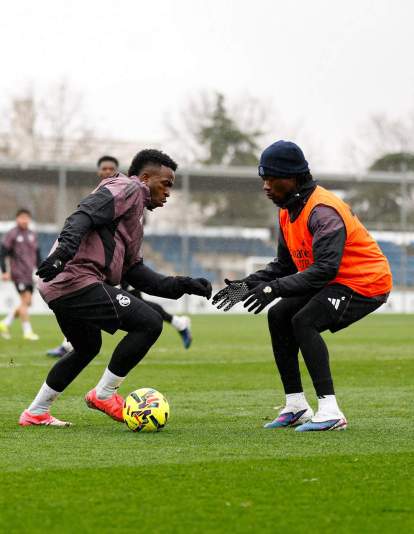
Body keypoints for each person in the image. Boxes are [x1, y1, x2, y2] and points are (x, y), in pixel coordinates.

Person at [19, 149, 211, 427]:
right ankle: (104, 394)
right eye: (166, 184)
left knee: (87, 347)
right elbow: (81, 216)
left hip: (61, 285)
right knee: (149, 322)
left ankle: (36, 412)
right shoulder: (129, 187)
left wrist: (183, 285)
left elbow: (137, 273)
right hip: (74, 278)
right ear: (145, 178)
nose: (169, 192)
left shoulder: (134, 219)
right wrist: (63, 254)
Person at [212, 140, 392, 432]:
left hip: (365, 281)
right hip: (334, 279)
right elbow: (284, 265)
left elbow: (324, 269)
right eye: (263, 179)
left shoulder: (323, 211)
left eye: (272, 179)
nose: (266, 186)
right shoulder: (286, 210)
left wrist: (273, 289)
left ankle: (331, 411)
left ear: (293, 178)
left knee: (304, 321)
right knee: (278, 316)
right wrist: (247, 285)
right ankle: (296, 406)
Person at [47, 155, 192, 357]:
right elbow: (82, 218)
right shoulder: (121, 189)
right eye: (103, 169)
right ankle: (177, 322)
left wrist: (182, 285)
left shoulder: (128, 192)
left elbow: (133, 259)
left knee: (138, 309)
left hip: (108, 269)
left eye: (110, 169)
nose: (107, 172)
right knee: (141, 315)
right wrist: (64, 250)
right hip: (88, 273)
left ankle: (177, 321)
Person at [0, 209, 41, 341]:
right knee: (24, 301)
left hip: (29, 273)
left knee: (27, 302)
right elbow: (3, 253)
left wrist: (41, 270)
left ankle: (5, 323)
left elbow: (37, 254)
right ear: (17, 219)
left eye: (26, 217)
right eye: (22, 217)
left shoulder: (32, 234)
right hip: (18, 273)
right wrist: (5, 271)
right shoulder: (12, 234)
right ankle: (27, 331)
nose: (24, 220)